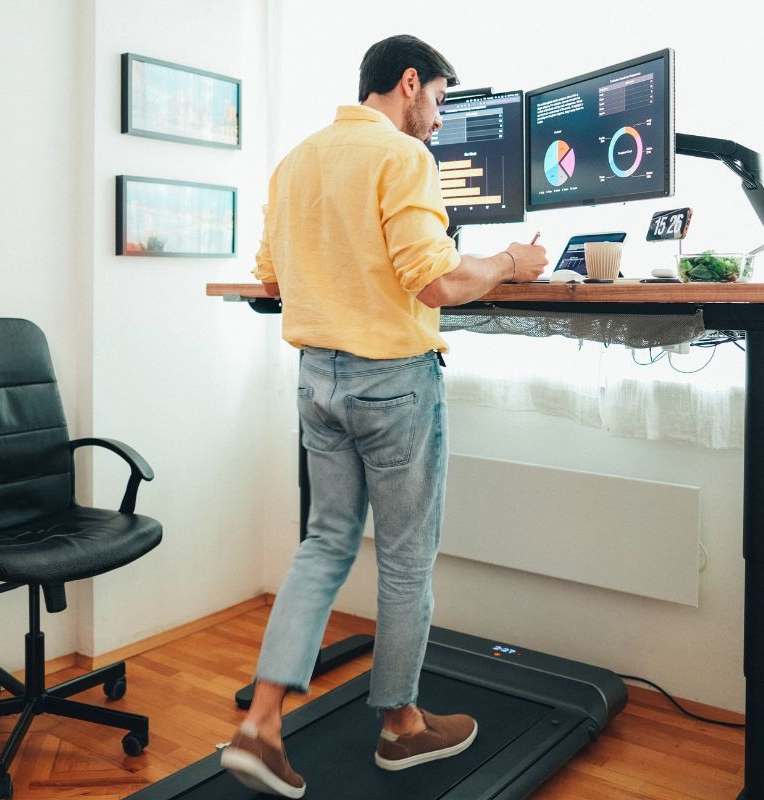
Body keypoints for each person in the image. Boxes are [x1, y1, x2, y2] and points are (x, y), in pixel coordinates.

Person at [219, 34, 547, 798]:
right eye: (437, 99)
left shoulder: (296, 160)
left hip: (316, 379)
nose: (437, 120)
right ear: (408, 84)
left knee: (325, 542)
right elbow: (433, 284)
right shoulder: (403, 159)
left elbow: (269, 277)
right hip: (391, 382)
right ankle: (400, 728)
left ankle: (260, 724)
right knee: (404, 557)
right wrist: (507, 264)